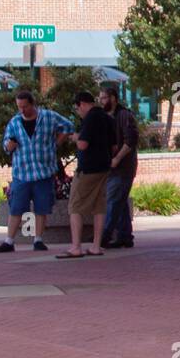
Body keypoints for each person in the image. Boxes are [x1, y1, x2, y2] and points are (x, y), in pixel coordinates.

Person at [0, 89, 75, 253]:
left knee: (42, 206)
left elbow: (68, 126)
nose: (22, 110)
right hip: (22, 172)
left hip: (43, 171)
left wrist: (56, 143)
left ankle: (38, 239)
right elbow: (6, 143)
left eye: (25, 106)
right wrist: (9, 146)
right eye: (19, 107)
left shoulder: (48, 117)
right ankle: (9, 241)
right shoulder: (15, 122)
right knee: (16, 206)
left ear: (32, 104)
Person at [59, 90, 115, 259]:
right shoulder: (107, 117)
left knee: (75, 206)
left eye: (77, 109)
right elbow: (114, 146)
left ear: (82, 104)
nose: (78, 112)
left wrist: (75, 137)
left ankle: (76, 247)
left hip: (88, 168)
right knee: (99, 207)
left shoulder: (90, 118)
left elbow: (83, 144)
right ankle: (96, 246)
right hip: (104, 167)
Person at [98, 83, 139, 249]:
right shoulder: (104, 116)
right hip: (110, 166)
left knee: (113, 200)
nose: (101, 101)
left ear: (113, 98)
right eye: (99, 98)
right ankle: (125, 236)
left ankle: (104, 236)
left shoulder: (124, 116)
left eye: (104, 98)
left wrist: (117, 159)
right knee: (120, 202)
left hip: (123, 168)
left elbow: (130, 141)